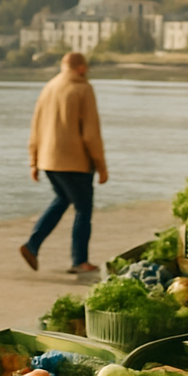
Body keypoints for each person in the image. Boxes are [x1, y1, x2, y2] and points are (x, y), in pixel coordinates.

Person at [21, 51, 108, 274]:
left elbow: (35, 126)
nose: (87, 71)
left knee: (62, 199)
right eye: (86, 67)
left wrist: (33, 161)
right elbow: (91, 134)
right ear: (80, 67)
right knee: (83, 210)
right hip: (74, 162)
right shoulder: (83, 89)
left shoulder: (49, 87)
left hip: (48, 161)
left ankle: (32, 246)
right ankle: (80, 261)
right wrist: (101, 166)